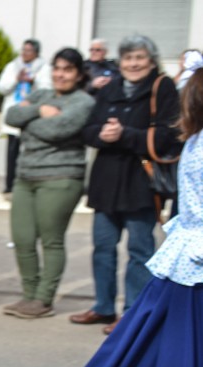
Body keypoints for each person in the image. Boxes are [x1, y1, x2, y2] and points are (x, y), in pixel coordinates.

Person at [48, 58, 203, 367]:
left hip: (185, 266)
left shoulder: (196, 140)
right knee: (156, 363)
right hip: (190, 269)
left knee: (154, 362)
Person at [69, 35, 182, 334]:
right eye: (128, 58)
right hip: (106, 181)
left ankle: (133, 312)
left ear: (152, 61)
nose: (133, 64)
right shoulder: (111, 88)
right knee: (103, 247)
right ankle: (103, 307)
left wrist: (126, 135)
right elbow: (88, 130)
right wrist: (100, 136)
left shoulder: (163, 87)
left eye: (139, 58)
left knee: (140, 250)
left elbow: (169, 137)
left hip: (140, 183)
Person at [2, 48, 95, 319]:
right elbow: (10, 116)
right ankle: (28, 295)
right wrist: (40, 111)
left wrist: (28, 118)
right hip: (25, 177)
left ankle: (43, 299)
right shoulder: (41, 95)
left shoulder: (83, 102)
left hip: (61, 178)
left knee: (51, 241)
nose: (60, 74)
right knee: (22, 239)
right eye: (57, 68)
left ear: (78, 75)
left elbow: (57, 130)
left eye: (67, 69)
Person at [0, 39, 52, 196]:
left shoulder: (44, 68)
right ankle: (9, 184)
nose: (25, 53)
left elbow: (48, 89)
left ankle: (29, 183)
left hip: (32, 117)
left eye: (29, 51)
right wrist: (16, 79)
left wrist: (33, 80)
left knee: (30, 151)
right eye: (23, 50)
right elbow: (1, 87)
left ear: (36, 53)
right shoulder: (12, 66)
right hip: (14, 115)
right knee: (12, 152)